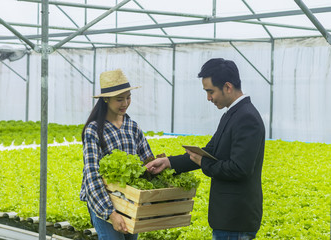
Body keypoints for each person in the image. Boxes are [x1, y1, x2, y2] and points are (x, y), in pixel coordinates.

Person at [145, 58, 265, 240]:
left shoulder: (246, 117)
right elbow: (209, 151)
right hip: (228, 219)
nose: (208, 98)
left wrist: (204, 163)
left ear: (227, 87)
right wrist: (168, 162)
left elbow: (240, 168)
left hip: (236, 220)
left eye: (210, 91)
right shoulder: (232, 114)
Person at [80, 69, 154, 240]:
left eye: (128, 97)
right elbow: (92, 174)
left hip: (130, 202)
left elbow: (147, 161)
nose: (125, 103)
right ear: (106, 99)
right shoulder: (93, 130)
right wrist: (110, 213)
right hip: (104, 201)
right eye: (119, 99)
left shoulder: (132, 126)